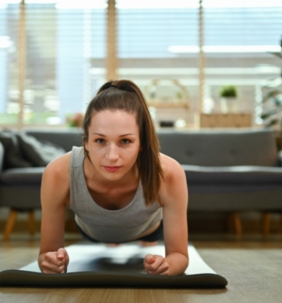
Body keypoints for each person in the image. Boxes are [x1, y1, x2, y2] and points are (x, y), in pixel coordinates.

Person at [38, 79, 189, 276]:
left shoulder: (169, 173)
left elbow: (180, 255)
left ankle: (138, 241)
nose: (112, 156)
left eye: (125, 141)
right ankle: (113, 239)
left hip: (149, 228)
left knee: (148, 240)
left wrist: (165, 267)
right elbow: (45, 255)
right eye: (100, 141)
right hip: (92, 231)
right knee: (111, 239)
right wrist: (51, 262)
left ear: (141, 143)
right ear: (86, 143)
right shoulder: (58, 173)